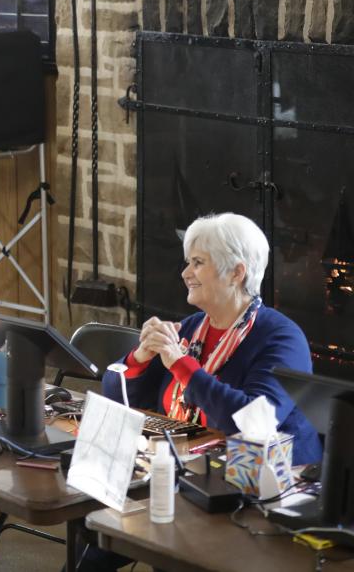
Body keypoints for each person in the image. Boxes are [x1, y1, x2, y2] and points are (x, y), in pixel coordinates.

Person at [79, 213, 322, 571]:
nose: (185, 272)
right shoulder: (193, 329)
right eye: (187, 261)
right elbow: (116, 393)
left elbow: (251, 421)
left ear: (236, 272)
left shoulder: (282, 338)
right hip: (184, 473)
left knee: (159, 539)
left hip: (257, 493)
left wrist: (181, 365)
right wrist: (141, 356)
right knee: (93, 533)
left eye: (198, 262)